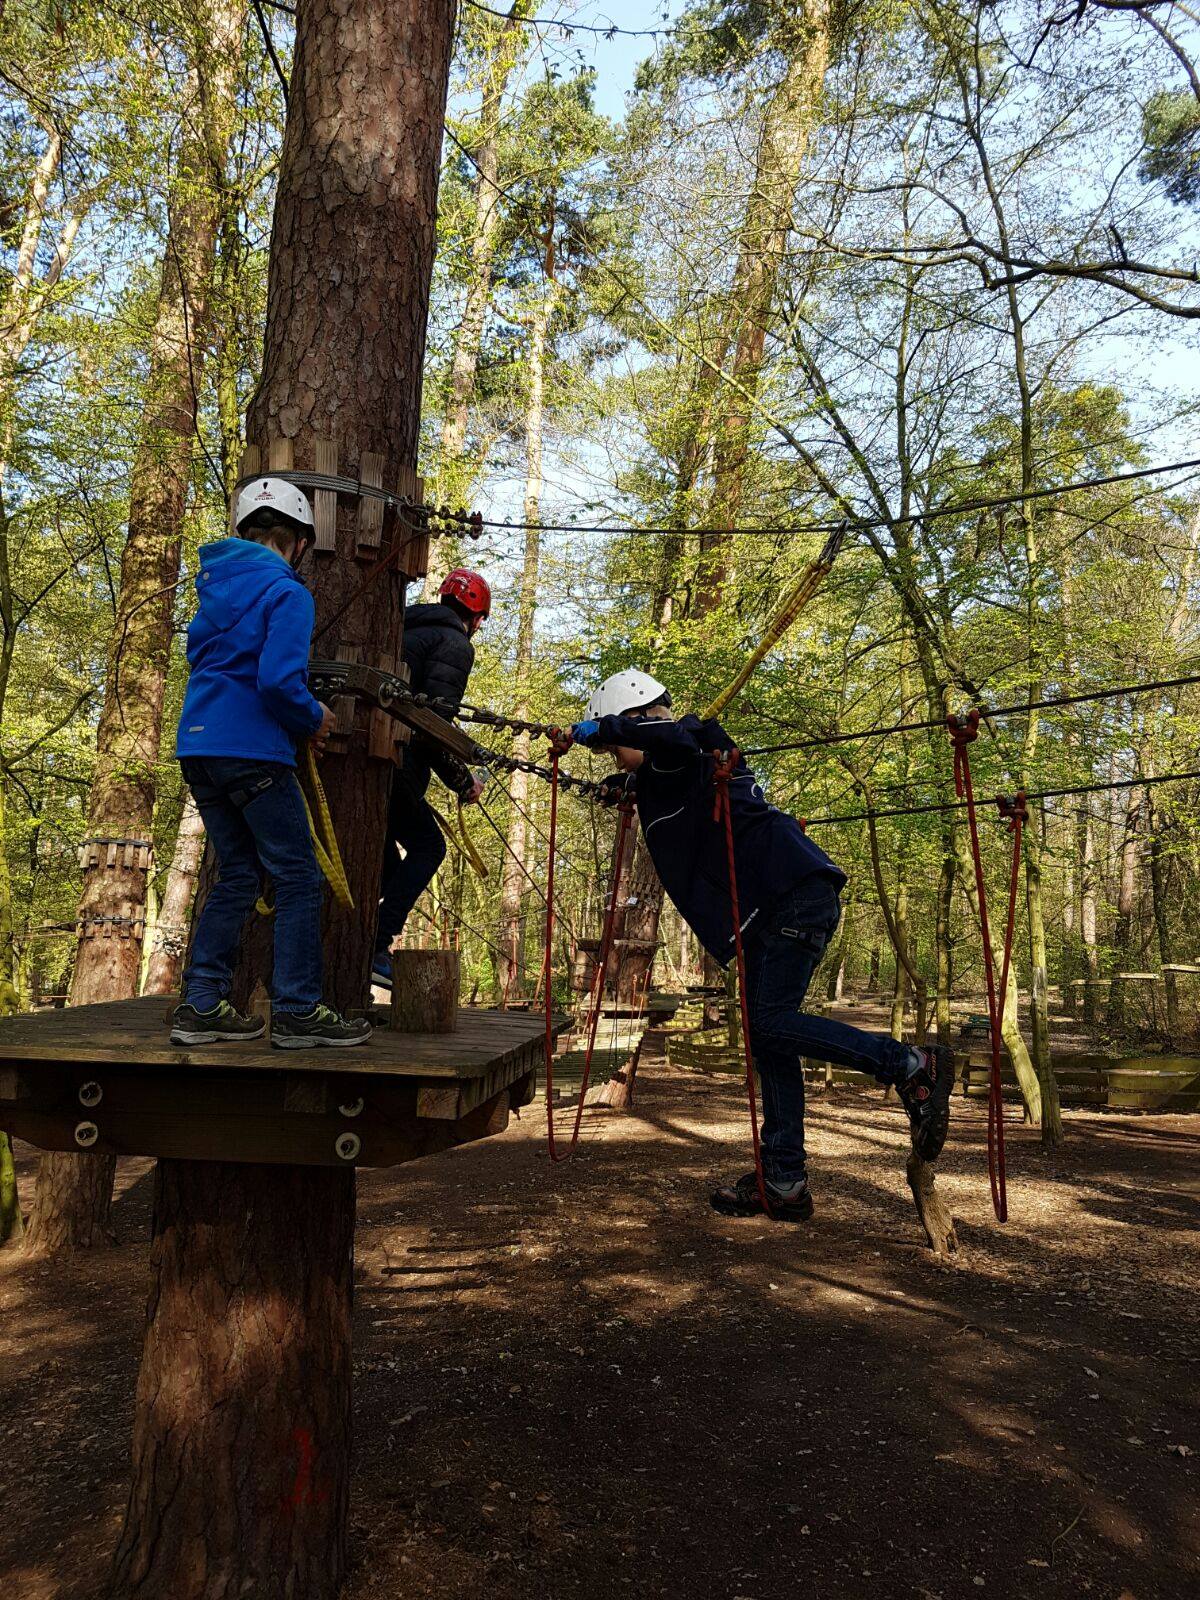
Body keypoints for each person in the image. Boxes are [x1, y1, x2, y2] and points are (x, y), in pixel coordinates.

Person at [571, 669, 954, 1222]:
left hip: (788, 899)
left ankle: (908, 1063)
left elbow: (677, 740)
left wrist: (599, 728)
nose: (612, 756)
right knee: (769, 1042)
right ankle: (784, 1178)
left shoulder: (686, 742)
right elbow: (671, 776)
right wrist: (627, 786)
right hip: (777, 909)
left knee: (769, 1024)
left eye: (614, 747)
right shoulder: (672, 770)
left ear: (634, 721)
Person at [169, 477, 371, 1050]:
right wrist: (315, 717)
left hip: (199, 748)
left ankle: (201, 1004)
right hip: (252, 751)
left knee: (237, 874)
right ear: (299, 542)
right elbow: (278, 682)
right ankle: (298, 1010)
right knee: (299, 877)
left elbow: (219, 667)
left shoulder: (214, 590)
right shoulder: (287, 593)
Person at [371, 569, 490, 988]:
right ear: (476, 618)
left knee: (383, 869)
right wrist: (463, 780)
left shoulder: (405, 626)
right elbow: (433, 726)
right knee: (429, 846)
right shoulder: (454, 644)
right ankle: (376, 943)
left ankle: (364, 938)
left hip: (374, 758)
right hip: (396, 760)